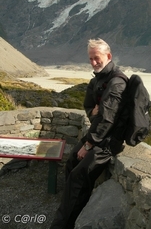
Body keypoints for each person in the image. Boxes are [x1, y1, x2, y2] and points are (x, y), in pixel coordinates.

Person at [50, 38, 128, 229]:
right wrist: (94, 114)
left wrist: (88, 145)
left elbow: (107, 120)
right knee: (71, 163)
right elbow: (88, 107)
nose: (93, 62)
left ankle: (63, 223)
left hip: (109, 142)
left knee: (78, 177)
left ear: (108, 56)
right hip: (98, 135)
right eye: (90, 59)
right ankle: (71, 208)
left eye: (97, 58)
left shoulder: (117, 83)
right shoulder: (98, 80)